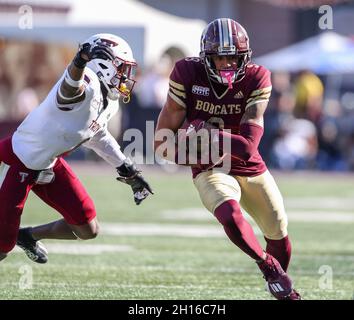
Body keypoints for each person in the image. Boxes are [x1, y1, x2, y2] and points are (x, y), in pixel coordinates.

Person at [154, 18, 300, 300]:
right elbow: (161, 143)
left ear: (245, 57)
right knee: (230, 216)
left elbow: (246, 148)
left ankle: (280, 288)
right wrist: (184, 151)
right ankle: (267, 267)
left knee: (279, 235)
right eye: (220, 58)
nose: (227, 64)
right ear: (206, 56)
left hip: (248, 165)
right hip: (211, 164)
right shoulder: (187, 72)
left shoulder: (258, 77)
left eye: (234, 57)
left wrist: (207, 135)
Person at [0, 33, 153, 264]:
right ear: (103, 64)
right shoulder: (87, 82)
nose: (125, 76)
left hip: (49, 164)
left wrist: (126, 168)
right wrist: (79, 61)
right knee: (2, 247)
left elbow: (96, 134)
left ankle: (28, 236)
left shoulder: (109, 99)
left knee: (88, 228)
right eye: (121, 69)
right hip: (18, 162)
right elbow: (67, 93)